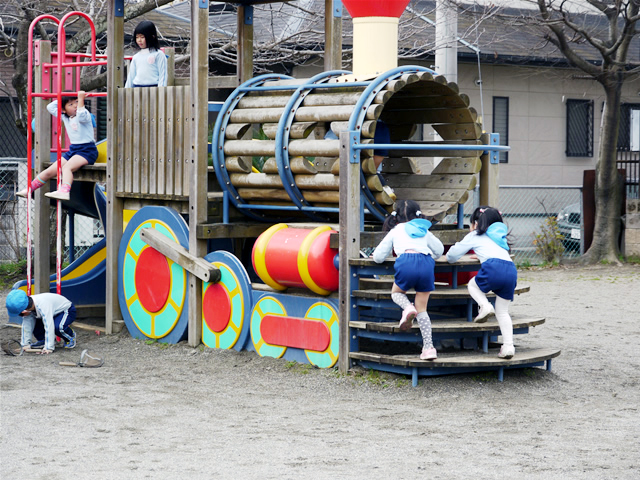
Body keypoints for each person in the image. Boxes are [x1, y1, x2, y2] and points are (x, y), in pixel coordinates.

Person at [372, 199, 444, 360]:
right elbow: (439, 250)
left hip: (406, 262)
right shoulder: (423, 229)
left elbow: (378, 257)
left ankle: (407, 308)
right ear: (418, 215)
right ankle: (429, 348)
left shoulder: (396, 230)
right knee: (422, 309)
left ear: (396, 217)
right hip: (426, 264)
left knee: (396, 293)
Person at [446, 206, 517, 359]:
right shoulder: (500, 238)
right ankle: (508, 346)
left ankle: (484, 306)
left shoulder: (475, 236)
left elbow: (452, 256)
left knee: (473, 284)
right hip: (511, 270)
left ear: (476, 223)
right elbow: (495, 254)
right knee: (503, 312)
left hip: (493, 268)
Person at [17, 91, 98, 201]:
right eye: (71, 104)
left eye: (76, 102)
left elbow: (82, 115)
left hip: (87, 151)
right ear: (63, 110)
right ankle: (30, 189)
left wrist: (81, 99)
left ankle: (65, 191)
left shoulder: (84, 115)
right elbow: (50, 107)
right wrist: (61, 96)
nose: (75, 105)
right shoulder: (65, 117)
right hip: (74, 150)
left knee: (66, 167)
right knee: (49, 171)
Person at [5, 290, 77, 354]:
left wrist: (48, 348)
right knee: (33, 321)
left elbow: (49, 325)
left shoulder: (43, 305)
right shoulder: (28, 305)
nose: (20, 316)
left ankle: (70, 337)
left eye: (20, 314)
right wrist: (25, 345)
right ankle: (43, 340)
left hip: (66, 310)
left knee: (58, 327)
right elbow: (27, 326)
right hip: (51, 312)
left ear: (24, 311)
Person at [125, 20, 167, 88]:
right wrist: (126, 92)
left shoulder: (159, 55)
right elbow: (131, 77)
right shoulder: (136, 57)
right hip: (137, 89)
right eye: (137, 37)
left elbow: (163, 76)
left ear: (152, 37)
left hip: (154, 89)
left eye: (142, 37)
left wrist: (160, 92)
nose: (139, 40)